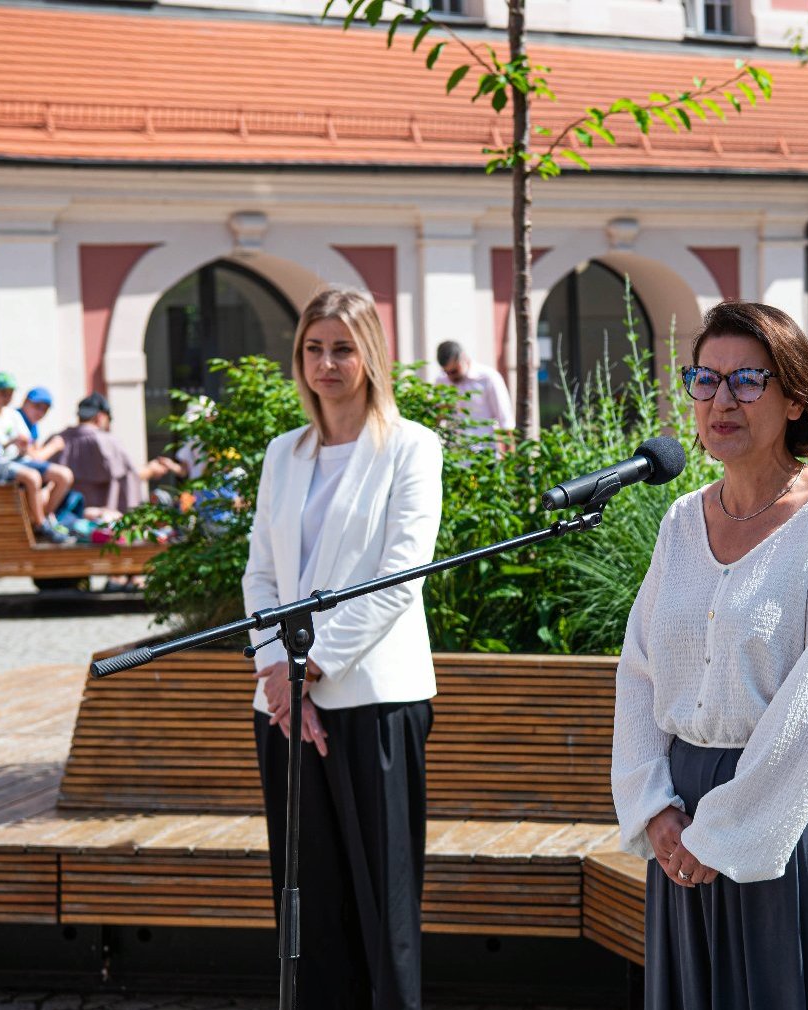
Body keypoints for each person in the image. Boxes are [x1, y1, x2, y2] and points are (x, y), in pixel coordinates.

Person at [612, 301, 808, 1009]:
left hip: (787, 816)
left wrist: (725, 829)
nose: (720, 401)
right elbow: (640, 671)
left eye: (746, 381)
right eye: (705, 379)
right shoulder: (680, 521)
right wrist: (656, 810)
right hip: (682, 817)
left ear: (796, 399)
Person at [242, 287, 443, 1010]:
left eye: (341, 348)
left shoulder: (411, 448)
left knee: (381, 904)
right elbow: (261, 570)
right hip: (285, 706)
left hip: (374, 701)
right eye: (313, 348)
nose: (325, 363)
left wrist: (310, 669)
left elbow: (400, 579)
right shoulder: (283, 454)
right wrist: (275, 673)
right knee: (308, 904)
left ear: (370, 356)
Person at [0, 372, 76, 542]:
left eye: (10, 393)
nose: (7, 397)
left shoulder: (13, 415)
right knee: (32, 477)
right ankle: (41, 525)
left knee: (64, 475)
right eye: (3, 392)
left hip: (19, 460)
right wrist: (9, 443)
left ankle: (43, 521)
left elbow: (30, 451)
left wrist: (23, 445)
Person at [54, 393, 184, 514]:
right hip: (104, 522)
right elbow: (129, 476)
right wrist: (151, 470)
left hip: (66, 518)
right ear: (101, 417)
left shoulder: (57, 440)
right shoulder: (108, 442)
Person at [435, 338, 512, 446]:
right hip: (454, 452)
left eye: (454, 371)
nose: (450, 376)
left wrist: (511, 457)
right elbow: (436, 418)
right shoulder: (441, 381)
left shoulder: (488, 378)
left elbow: (505, 419)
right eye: (446, 372)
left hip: (484, 452)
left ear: (463, 357)